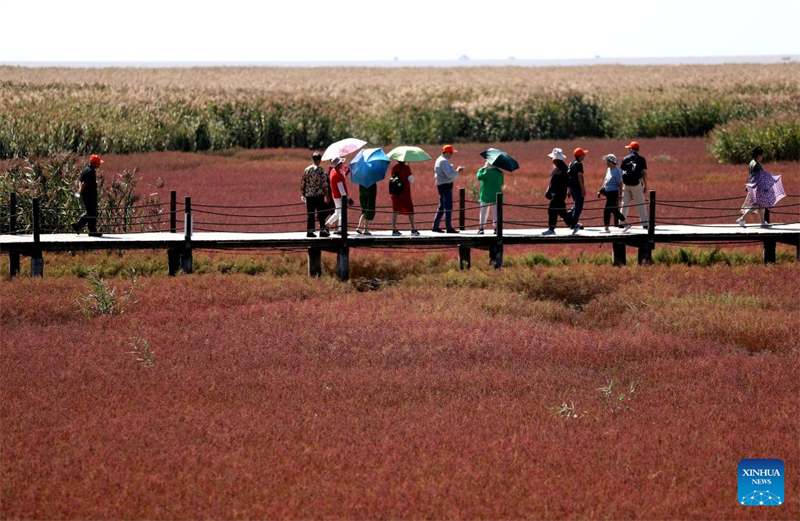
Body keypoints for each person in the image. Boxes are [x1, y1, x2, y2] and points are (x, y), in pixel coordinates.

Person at [737, 146, 786, 227]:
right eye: (761, 155)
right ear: (758, 155)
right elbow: (760, 176)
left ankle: (763, 222)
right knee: (755, 206)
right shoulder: (756, 164)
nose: (762, 157)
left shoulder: (751, 162)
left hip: (754, 186)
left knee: (761, 205)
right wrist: (771, 178)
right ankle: (741, 219)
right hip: (757, 187)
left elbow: (753, 176)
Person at [542, 148, 575, 235]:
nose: (551, 159)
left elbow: (562, 180)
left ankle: (551, 229)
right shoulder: (560, 166)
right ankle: (573, 224)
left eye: (552, 158)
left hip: (558, 194)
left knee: (552, 210)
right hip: (558, 193)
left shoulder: (560, 168)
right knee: (561, 211)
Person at [432, 144, 464, 233]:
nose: (451, 155)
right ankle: (449, 228)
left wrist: (455, 171)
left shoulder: (439, 160)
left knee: (442, 206)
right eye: (451, 153)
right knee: (448, 207)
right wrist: (457, 171)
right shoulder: (444, 161)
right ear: (447, 152)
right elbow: (449, 175)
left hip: (442, 185)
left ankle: (435, 226)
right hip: (445, 186)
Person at [597, 154, 631, 233]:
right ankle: (626, 224)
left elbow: (620, 183)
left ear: (611, 162)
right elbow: (605, 182)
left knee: (607, 210)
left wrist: (620, 194)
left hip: (613, 193)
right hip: (608, 193)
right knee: (614, 210)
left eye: (607, 161)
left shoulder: (617, 171)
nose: (606, 162)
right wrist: (600, 191)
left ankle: (607, 228)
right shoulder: (608, 170)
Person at [71, 154, 103, 237]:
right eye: (98, 163)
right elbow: (84, 183)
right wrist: (79, 192)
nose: (99, 165)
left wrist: (80, 192)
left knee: (91, 212)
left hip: (87, 195)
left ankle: (79, 226)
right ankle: (92, 231)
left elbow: (80, 181)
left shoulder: (85, 169)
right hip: (89, 196)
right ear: (93, 163)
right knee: (92, 212)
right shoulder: (90, 172)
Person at [619, 141, 649, 227]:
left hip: (626, 184)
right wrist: (645, 185)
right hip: (636, 184)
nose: (629, 149)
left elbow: (621, 172)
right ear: (637, 149)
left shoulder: (625, 159)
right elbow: (644, 173)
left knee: (624, 204)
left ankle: (621, 223)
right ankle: (645, 224)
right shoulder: (642, 159)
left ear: (631, 149)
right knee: (641, 204)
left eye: (629, 148)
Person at [300, 151, 331, 237]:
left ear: (312, 159)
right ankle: (322, 231)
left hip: (309, 195)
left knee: (310, 214)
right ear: (320, 160)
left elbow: (303, 183)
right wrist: (327, 195)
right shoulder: (321, 170)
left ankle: (310, 231)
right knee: (321, 213)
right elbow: (324, 184)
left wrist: (303, 194)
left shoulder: (307, 170)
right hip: (319, 195)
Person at [324, 158, 353, 235]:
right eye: (340, 163)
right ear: (337, 165)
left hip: (335, 195)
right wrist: (345, 198)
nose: (341, 164)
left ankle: (326, 225)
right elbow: (341, 188)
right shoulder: (338, 174)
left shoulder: (332, 172)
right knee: (341, 213)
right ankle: (341, 230)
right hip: (339, 196)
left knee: (337, 213)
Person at [390, 160, 419, 236]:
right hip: (405, 193)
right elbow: (411, 180)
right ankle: (413, 229)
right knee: (410, 210)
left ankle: (394, 229)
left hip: (396, 193)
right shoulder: (406, 168)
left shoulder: (394, 168)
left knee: (395, 210)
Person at [476, 161, 504, 234]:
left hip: (486, 194)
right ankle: (496, 228)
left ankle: (481, 228)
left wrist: (482, 169)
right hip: (497, 194)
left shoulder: (486, 172)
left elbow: (479, 177)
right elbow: (501, 183)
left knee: (483, 212)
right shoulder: (500, 173)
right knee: (496, 212)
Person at [567, 147, 588, 232]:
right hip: (577, 188)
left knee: (576, 204)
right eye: (583, 154)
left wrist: (569, 189)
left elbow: (568, 177)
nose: (584, 156)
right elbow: (579, 176)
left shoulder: (571, 163)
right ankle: (574, 223)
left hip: (572, 188)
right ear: (579, 155)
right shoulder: (579, 164)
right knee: (579, 206)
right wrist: (583, 189)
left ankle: (569, 215)